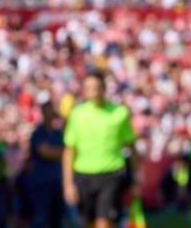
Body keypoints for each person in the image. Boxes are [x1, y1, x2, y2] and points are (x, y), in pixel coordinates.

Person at [62, 71, 138, 228]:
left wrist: (136, 179)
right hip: (84, 175)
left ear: (103, 88)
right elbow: (69, 152)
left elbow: (132, 148)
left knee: (103, 223)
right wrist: (68, 184)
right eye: (89, 87)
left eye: (96, 87)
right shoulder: (77, 114)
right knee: (88, 223)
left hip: (111, 174)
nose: (93, 91)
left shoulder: (119, 113)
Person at [27, 102, 65, 228]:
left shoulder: (58, 133)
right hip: (41, 183)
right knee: (40, 218)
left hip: (57, 182)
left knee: (57, 219)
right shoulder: (38, 133)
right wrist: (62, 153)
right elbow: (45, 152)